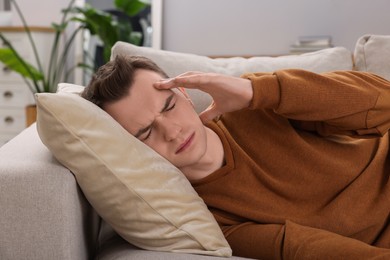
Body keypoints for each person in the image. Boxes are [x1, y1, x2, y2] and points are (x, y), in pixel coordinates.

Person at [82, 55, 390, 259]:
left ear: (185, 94)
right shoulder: (206, 217)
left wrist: (255, 91)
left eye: (168, 107)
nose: (172, 132)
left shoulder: (255, 104)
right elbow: (303, 247)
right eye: (145, 132)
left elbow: (384, 103)